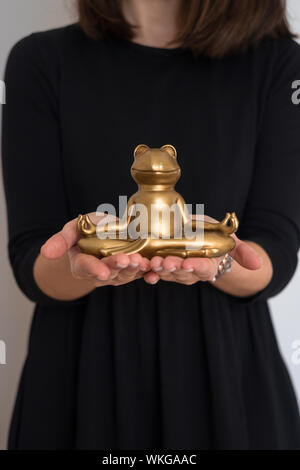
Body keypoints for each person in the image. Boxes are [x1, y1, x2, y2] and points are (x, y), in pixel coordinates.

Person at [2, 0, 300, 450]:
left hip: (229, 384)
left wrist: (215, 261)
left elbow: (273, 252)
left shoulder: (279, 65)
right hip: (79, 385)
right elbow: (32, 260)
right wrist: (82, 261)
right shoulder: (39, 62)